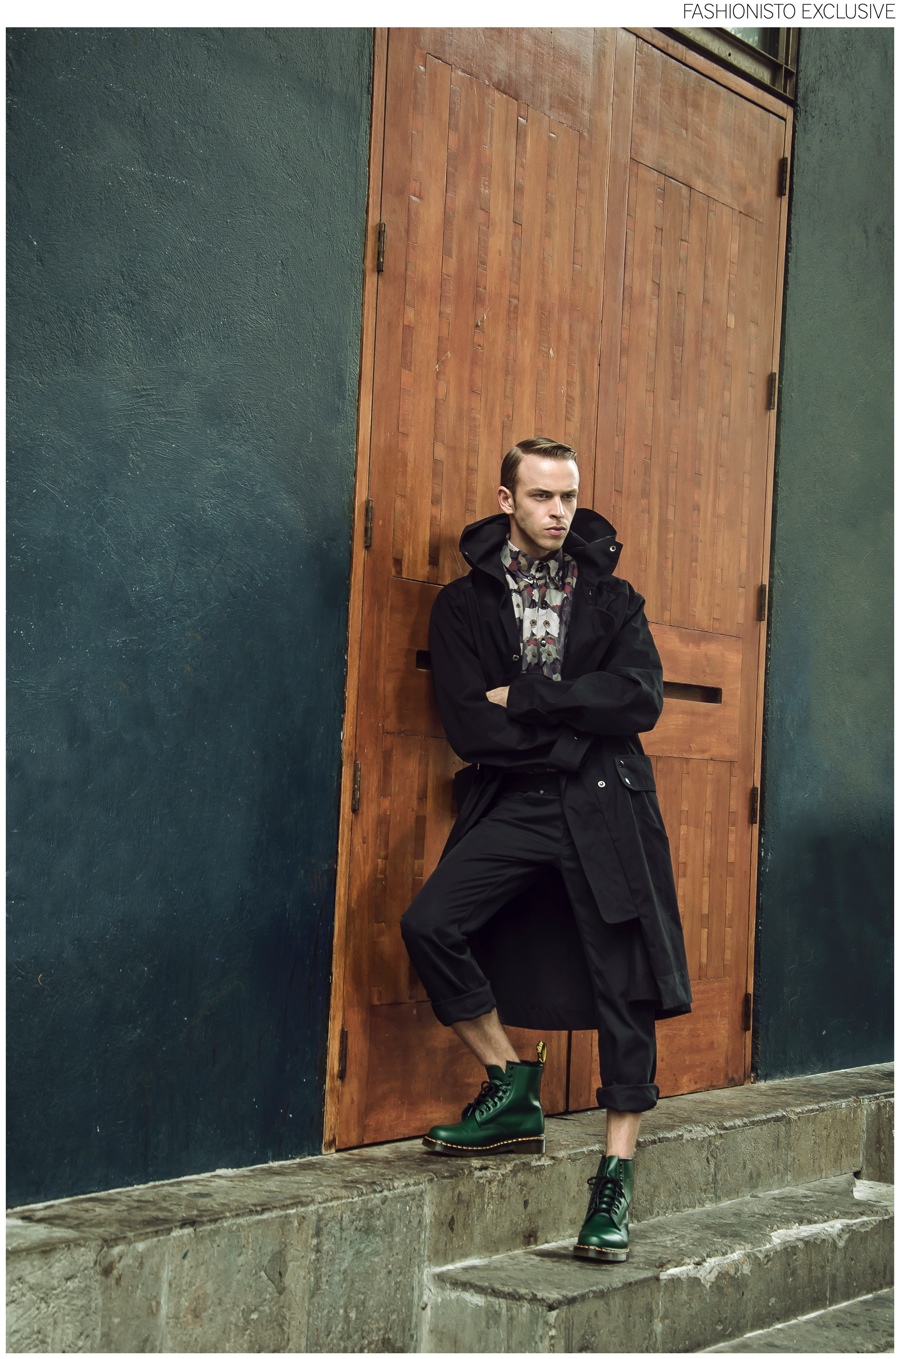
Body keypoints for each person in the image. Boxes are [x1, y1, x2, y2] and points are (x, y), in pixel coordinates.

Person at [400, 437, 692, 1263]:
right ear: (507, 500)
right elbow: (470, 725)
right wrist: (572, 729)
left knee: (624, 980)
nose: (559, 511)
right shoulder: (464, 606)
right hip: (519, 801)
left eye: (568, 495)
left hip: (607, 807)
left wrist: (530, 696)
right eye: (541, 496)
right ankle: (509, 1083)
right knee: (430, 923)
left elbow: (638, 698)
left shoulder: (612, 596)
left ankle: (614, 1179)